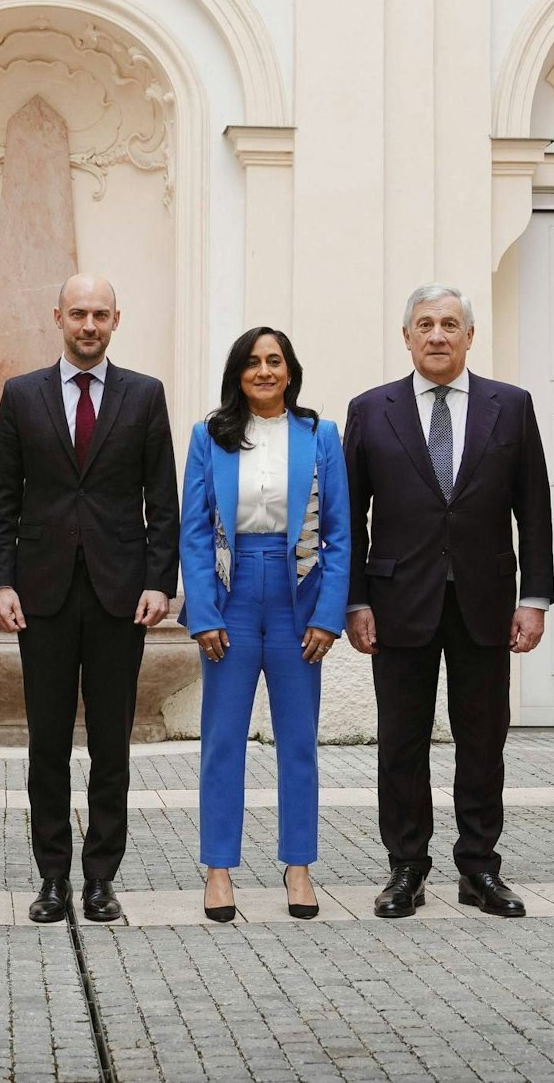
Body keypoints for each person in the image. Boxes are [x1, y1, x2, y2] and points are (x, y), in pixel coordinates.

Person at [344, 283, 554, 919]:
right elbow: (350, 515)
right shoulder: (370, 409)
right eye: (426, 325)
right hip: (397, 600)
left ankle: (479, 868)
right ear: (406, 337)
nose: (438, 336)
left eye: (450, 325)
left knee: (483, 738)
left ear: (470, 336)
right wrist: (354, 601)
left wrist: (535, 597)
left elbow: (535, 508)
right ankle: (406, 867)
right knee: (401, 740)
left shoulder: (510, 406)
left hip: (485, 601)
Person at [0, 273, 178, 925]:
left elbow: (163, 500)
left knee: (110, 744)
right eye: (78, 313)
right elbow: (0, 499)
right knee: (46, 743)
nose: (89, 324)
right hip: (40, 594)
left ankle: (101, 879)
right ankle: (52, 877)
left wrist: (160, 580)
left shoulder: (145, 396)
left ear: (116, 319)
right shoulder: (20, 395)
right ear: (57, 316)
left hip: (120, 595)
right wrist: (1, 581)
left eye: (100, 313)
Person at [180, 328, 350, 923]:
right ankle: (219, 869)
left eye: (274, 361)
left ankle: (299, 866)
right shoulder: (211, 437)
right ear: (238, 372)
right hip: (229, 596)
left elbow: (340, 532)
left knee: (298, 741)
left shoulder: (320, 435)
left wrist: (329, 615)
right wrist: (202, 613)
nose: (264, 371)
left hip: (295, 596)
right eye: (253, 362)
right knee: (222, 739)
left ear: (290, 370)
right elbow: (195, 532)